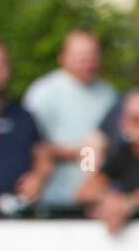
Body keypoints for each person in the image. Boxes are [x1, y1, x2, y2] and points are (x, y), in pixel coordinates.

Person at [24, 30, 118, 204]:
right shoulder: (43, 92)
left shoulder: (108, 94)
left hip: (98, 199)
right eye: (80, 56)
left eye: (91, 55)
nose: (87, 62)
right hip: (53, 197)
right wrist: (79, 152)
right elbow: (30, 143)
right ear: (63, 56)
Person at [0, 41, 52, 202]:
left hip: (18, 216)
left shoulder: (24, 115)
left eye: (0, 65)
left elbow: (43, 155)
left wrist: (38, 178)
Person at [80, 88, 139, 234]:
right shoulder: (123, 153)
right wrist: (108, 199)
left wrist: (126, 204)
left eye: (137, 119)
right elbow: (83, 191)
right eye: (128, 117)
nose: (129, 124)